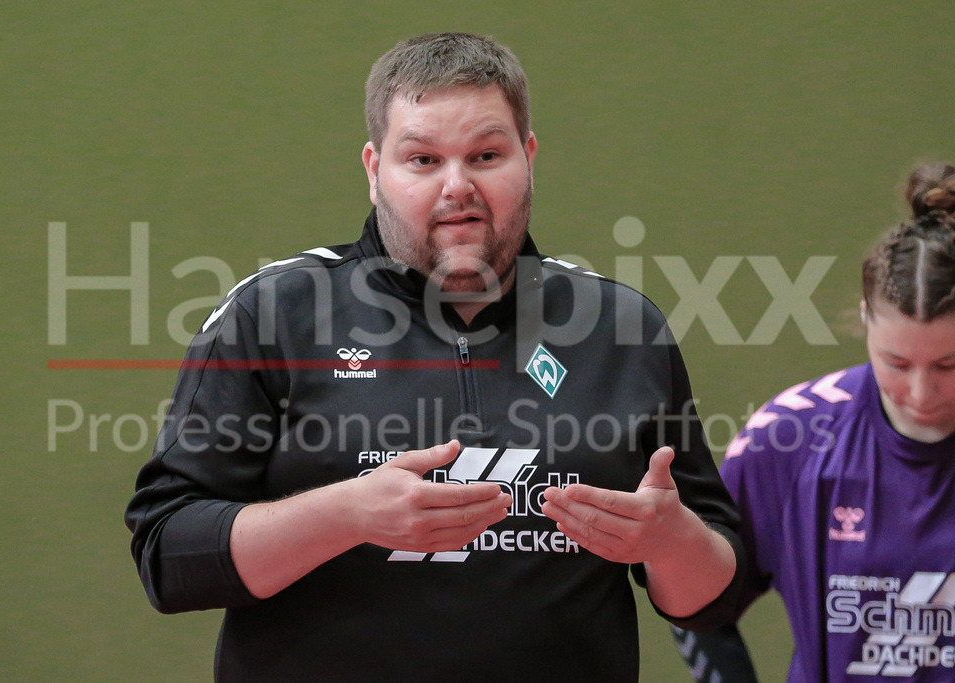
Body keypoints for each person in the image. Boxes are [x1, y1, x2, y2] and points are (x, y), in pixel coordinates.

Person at [125, 32, 745, 681]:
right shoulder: (274, 315)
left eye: (485, 154)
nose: (458, 186)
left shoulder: (622, 328)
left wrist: (673, 541)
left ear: (528, 158)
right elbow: (169, 559)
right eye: (423, 159)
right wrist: (347, 513)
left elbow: (713, 597)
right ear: (374, 170)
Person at [673, 162, 955, 681]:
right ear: (866, 318)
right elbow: (693, 601)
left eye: (948, 365)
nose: (921, 393)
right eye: (896, 363)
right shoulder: (787, 440)